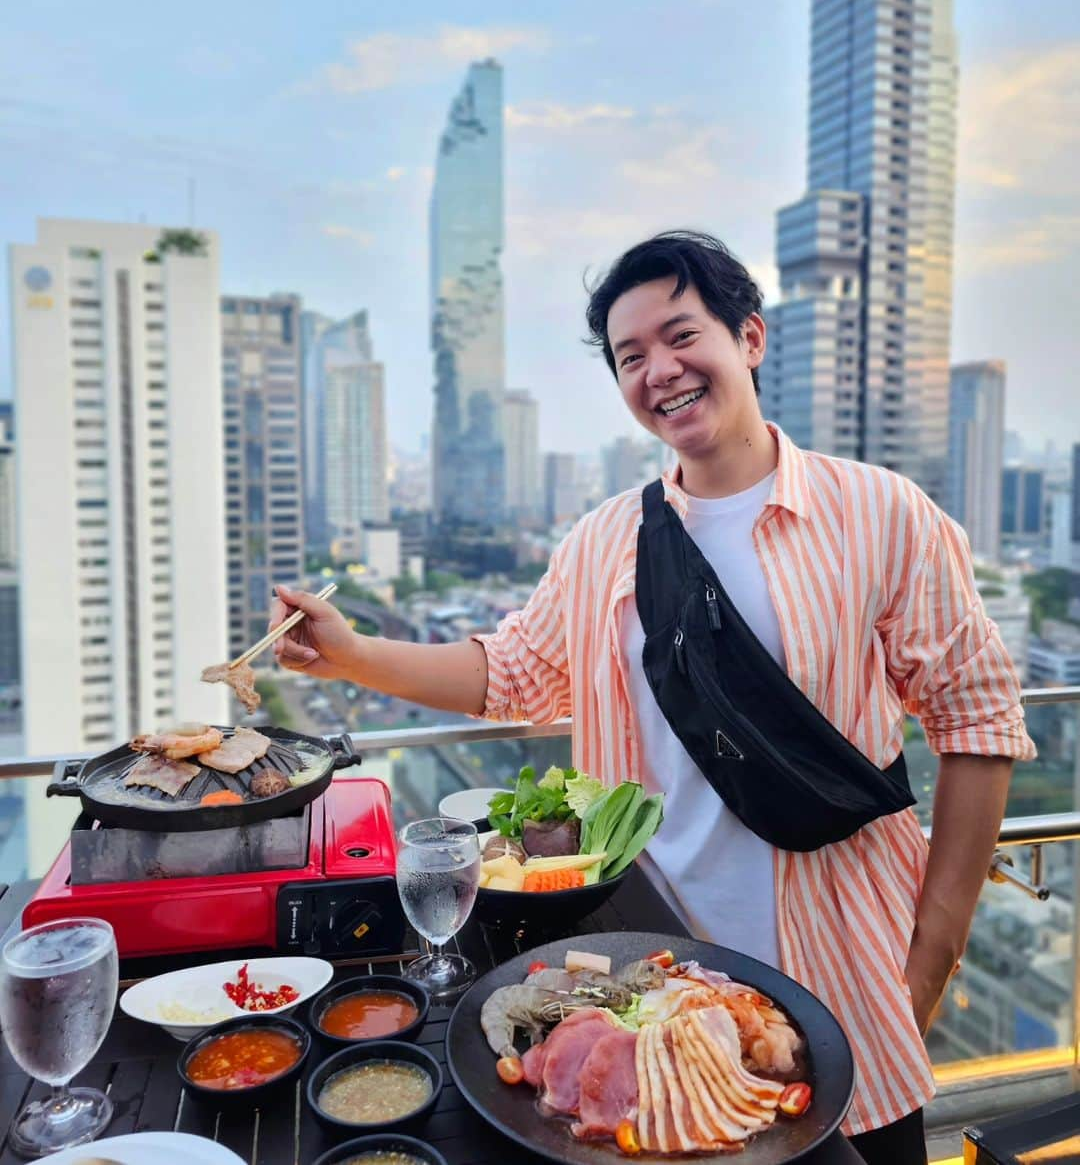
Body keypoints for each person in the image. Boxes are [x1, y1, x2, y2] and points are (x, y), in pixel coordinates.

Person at [270, 230, 1034, 1164]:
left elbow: (980, 720)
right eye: (631, 358)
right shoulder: (603, 542)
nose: (659, 371)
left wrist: (933, 958)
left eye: (681, 336)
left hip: (848, 976)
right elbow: (509, 672)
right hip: (652, 975)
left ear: (749, 337)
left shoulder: (881, 514)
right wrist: (349, 653)